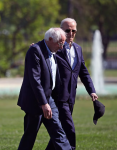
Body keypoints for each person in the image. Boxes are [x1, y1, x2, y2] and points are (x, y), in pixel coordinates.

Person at [30, 18, 98, 150]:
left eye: (74, 31)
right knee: (68, 129)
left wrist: (92, 91)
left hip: (70, 97)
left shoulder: (78, 49)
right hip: (57, 98)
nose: (71, 33)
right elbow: (42, 53)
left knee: (58, 133)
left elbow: (83, 72)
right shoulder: (55, 47)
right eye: (67, 31)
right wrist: (35, 48)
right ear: (61, 30)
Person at [17, 28, 71, 150]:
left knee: (58, 133)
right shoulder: (35, 50)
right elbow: (35, 79)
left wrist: (48, 102)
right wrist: (43, 103)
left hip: (49, 99)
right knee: (29, 136)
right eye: (60, 43)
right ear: (50, 39)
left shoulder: (53, 50)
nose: (61, 47)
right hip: (35, 101)